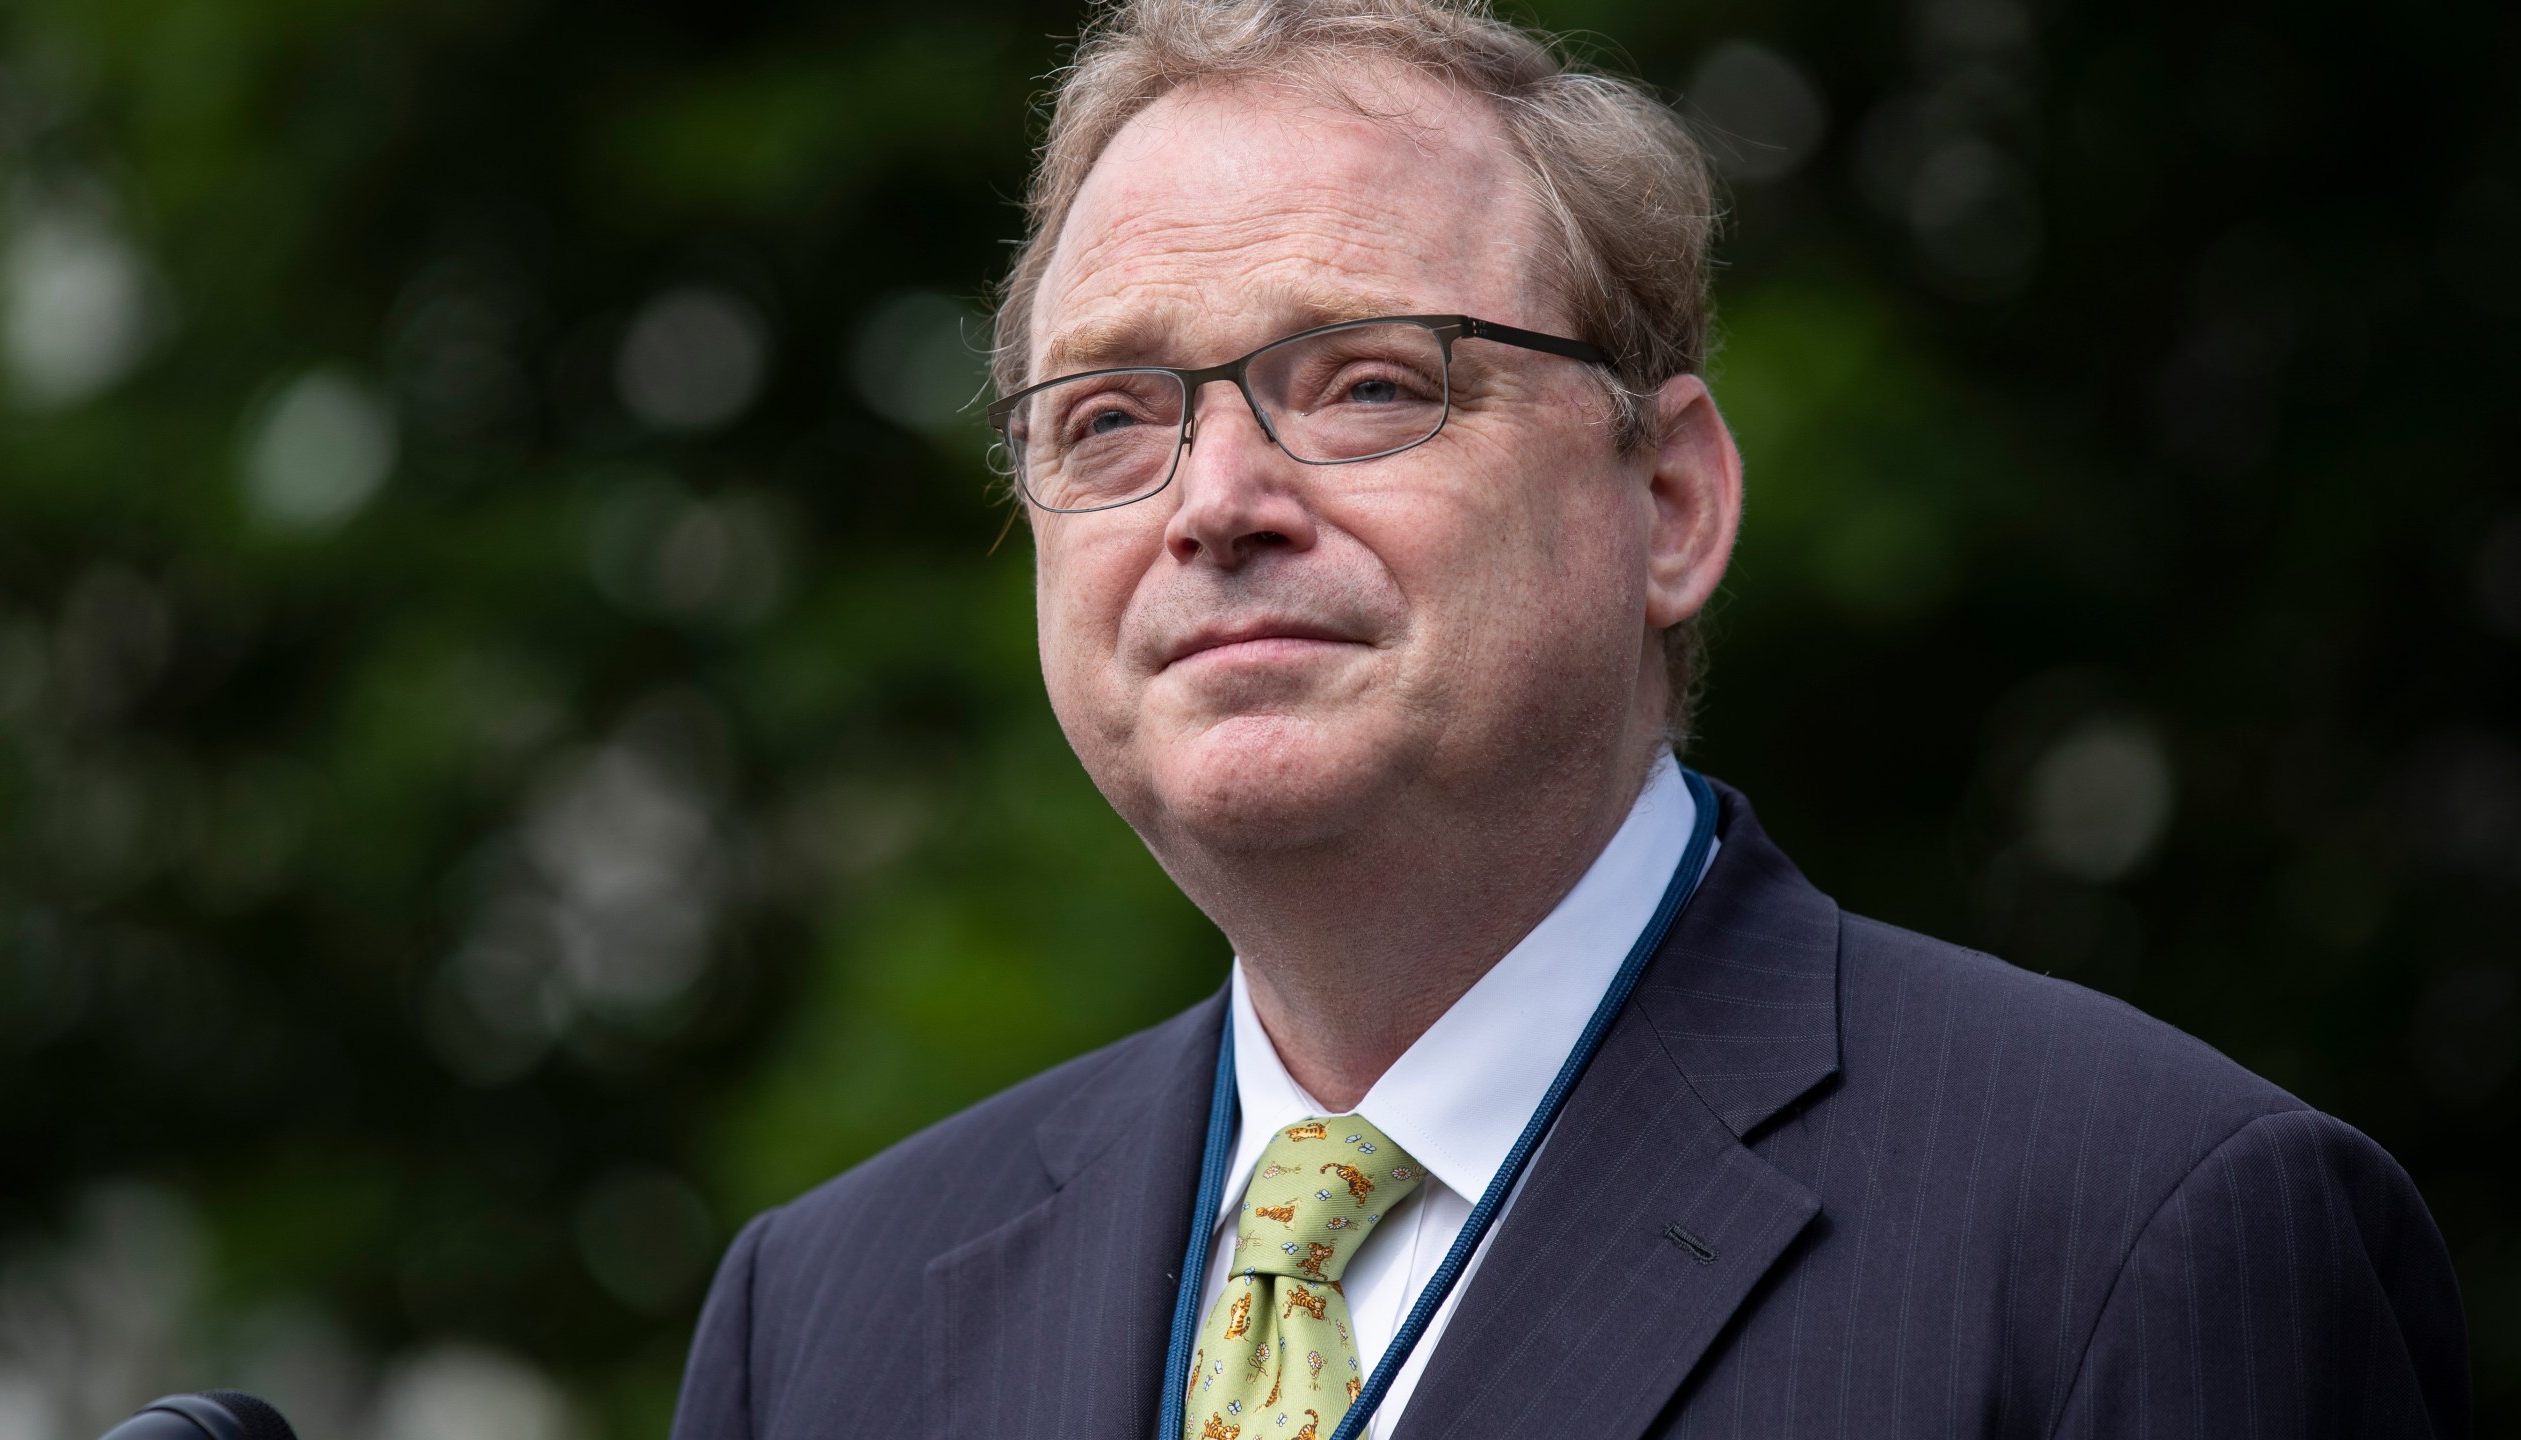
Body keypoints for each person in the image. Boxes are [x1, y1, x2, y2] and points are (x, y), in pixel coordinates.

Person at [669, 1, 2469, 1435]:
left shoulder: (2146, 1231)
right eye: (1111, 422)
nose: (1213, 499)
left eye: (1367, 382)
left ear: (1669, 502)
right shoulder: (825, 1316)